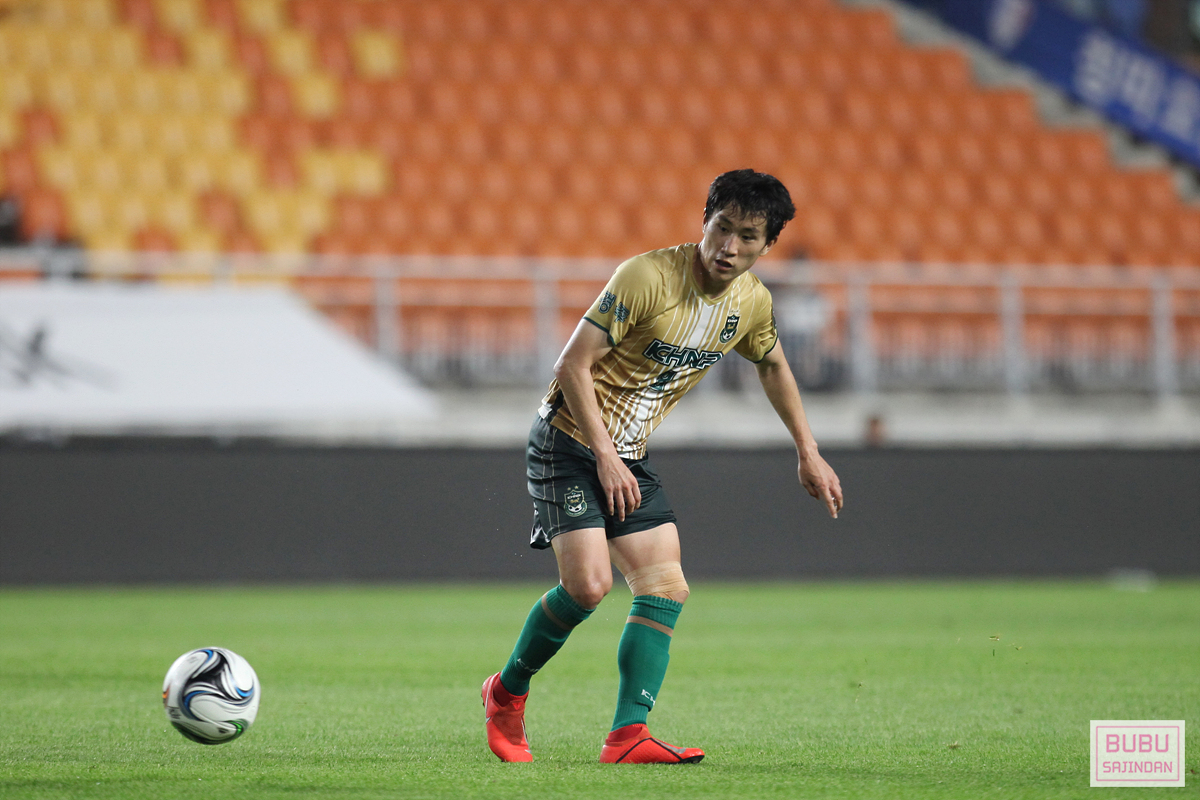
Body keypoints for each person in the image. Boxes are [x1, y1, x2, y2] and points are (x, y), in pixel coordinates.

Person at [482, 169, 844, 765]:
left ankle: (628, 735)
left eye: (747, 237)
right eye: (722, 227)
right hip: (569, 442)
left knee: (665, 586)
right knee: (588, 587)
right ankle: (505, 693)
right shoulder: (647, 277)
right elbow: (571, 365)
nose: (729, 247)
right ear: (704, 220)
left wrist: (808, 449)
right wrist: (604, 456)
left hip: (627, 455)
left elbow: (773, 365)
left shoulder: (752, 303)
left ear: (767, 245)